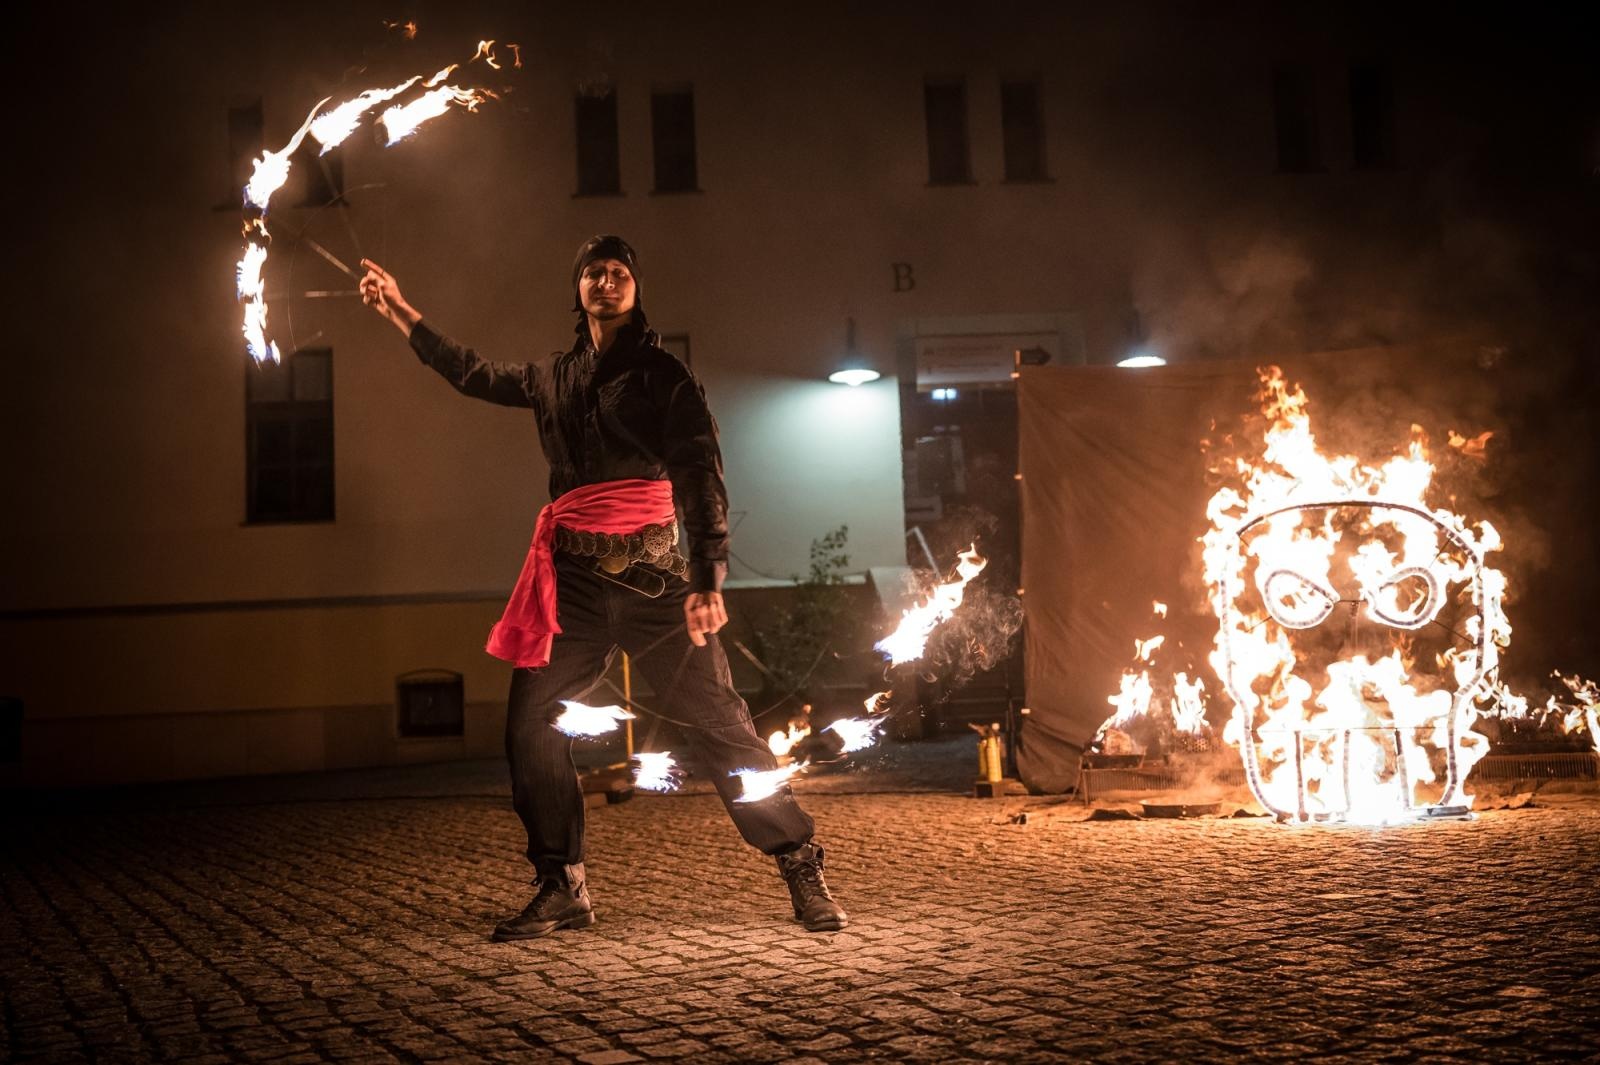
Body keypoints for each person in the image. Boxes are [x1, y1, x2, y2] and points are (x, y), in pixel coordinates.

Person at [358, 236, 847, 939]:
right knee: (530, 725)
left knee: (719, 726)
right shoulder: (552, 377)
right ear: (579, 287)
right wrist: (402, 312)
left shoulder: (663, 376)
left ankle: (798, 858)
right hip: (574, 588)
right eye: (595, 272)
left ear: (635, 289)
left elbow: (700, 472)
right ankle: (563, 884)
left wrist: (708, 575)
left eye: (620, 273)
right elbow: (470, 372)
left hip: (658, 584)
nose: (607, 282)